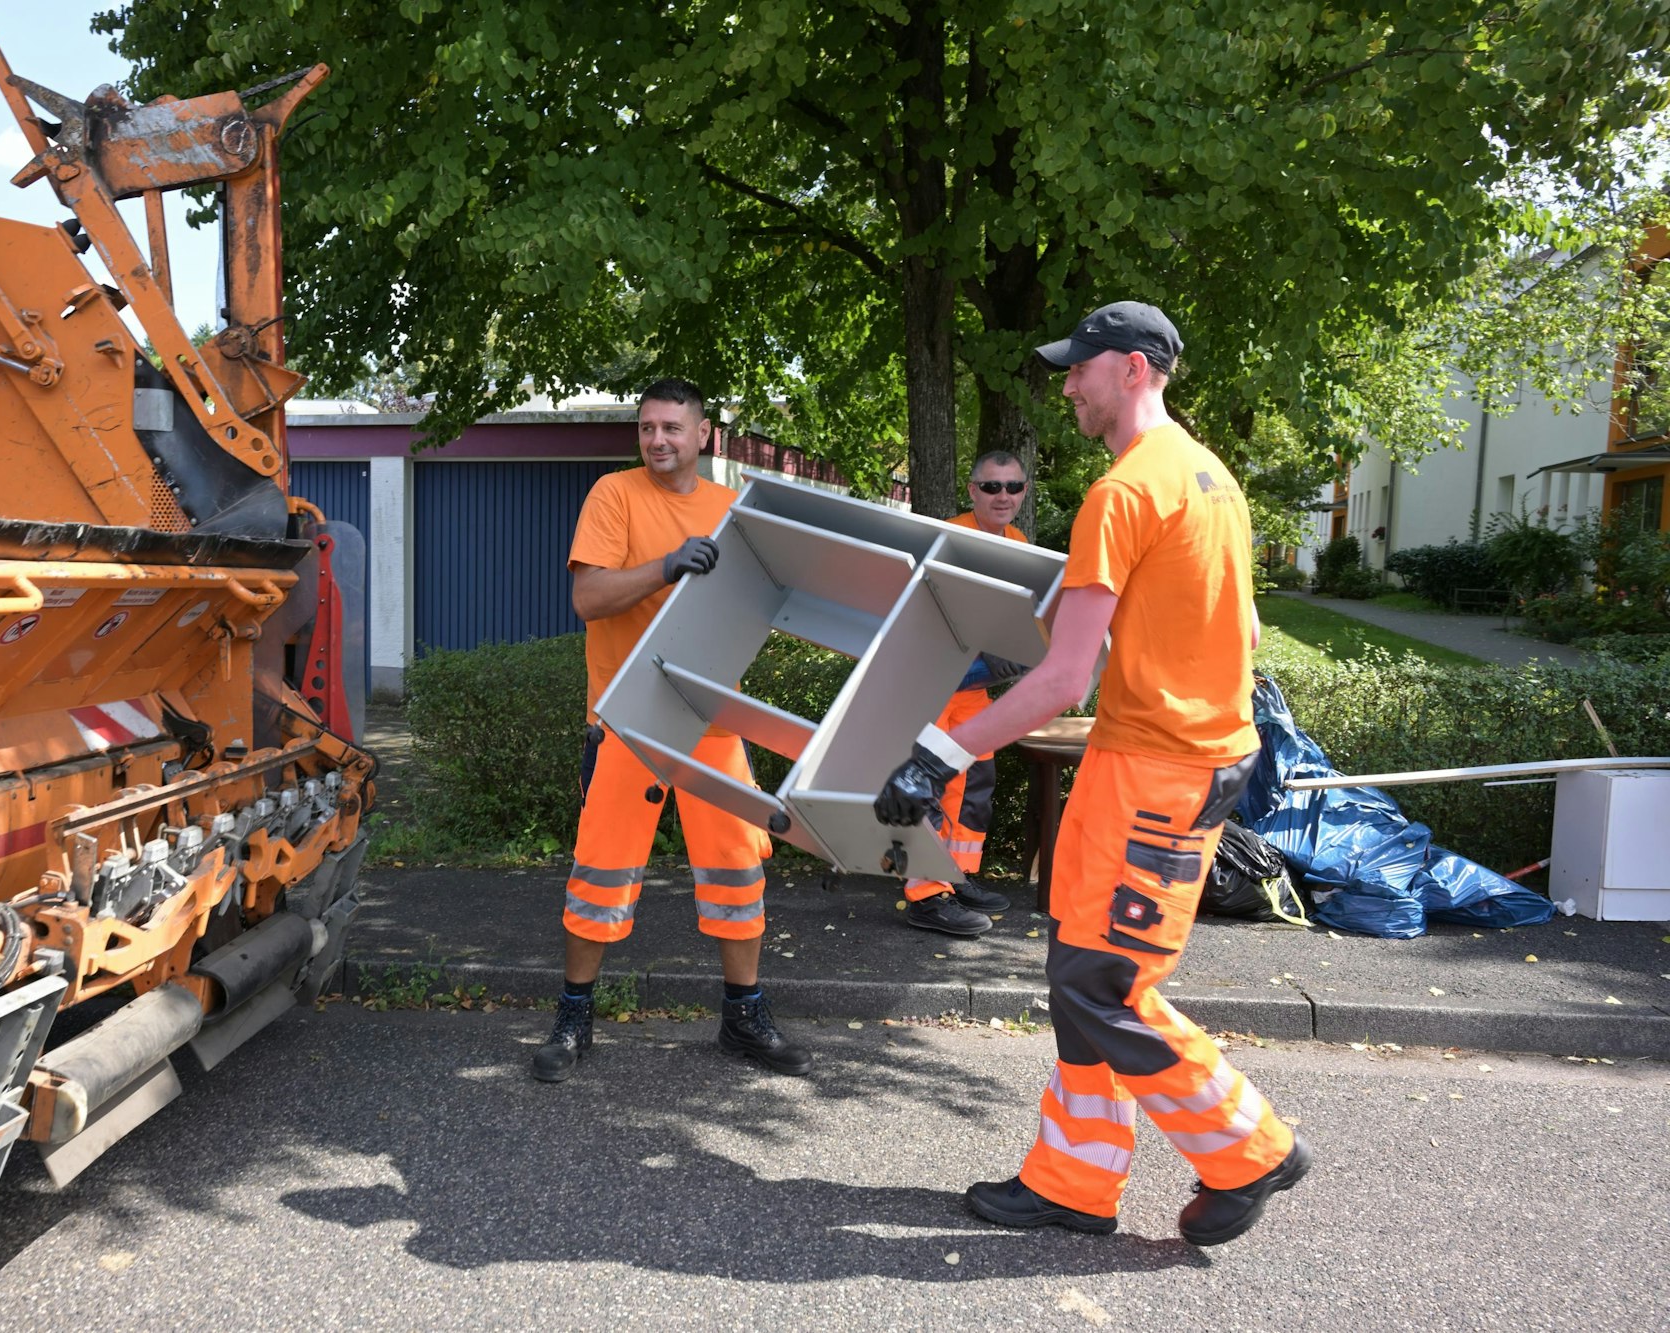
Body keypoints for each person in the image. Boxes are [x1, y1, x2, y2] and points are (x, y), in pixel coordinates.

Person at [874, 302, 1307, 1245]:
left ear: (1136, 369)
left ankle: (1252, 1149)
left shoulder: (1123, 492)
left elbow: (1065, 675)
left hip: (1156, 771)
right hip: (1172, 761)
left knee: (1100, 985)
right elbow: (1244, 633)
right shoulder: (1210, 479)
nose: (1067, 383)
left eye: (1081, 367)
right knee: (1081, 962)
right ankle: (1075, 1180)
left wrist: (939, 751)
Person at [531, 377, 813, 1083]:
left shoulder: (731, 509)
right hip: (629, 718)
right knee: (599, 873)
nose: (657, 439)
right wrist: (666, 565)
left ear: (703, 435)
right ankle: (573, 1017)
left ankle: (742, 1015)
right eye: (647, 427)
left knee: (737, 872)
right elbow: (587, 598)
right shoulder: (614, 496)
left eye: (672, 428)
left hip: (713, 716)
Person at [901, 451, 1030, 937]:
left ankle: (958, 878)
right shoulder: (950, 539)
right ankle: (925, 896)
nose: (1004, 496)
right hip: (936, 683)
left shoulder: (1017, 541)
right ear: (973, 491)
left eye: (1013, 486)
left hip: (974, 688)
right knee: (930, 791)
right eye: (992, 487)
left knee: (973, 786)